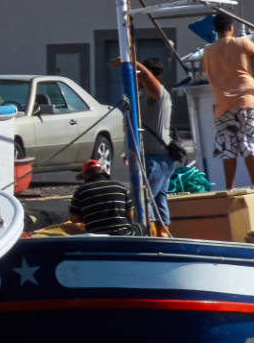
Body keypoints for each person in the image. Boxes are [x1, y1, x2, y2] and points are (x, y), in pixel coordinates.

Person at [200, 13, 254, 189]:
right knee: (248, 142)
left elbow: (206, 71)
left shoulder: (208, 51)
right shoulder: (242, 42)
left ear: (215, 30)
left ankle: (230, 188)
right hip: (245, 100)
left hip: (222, 106)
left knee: (228, 147)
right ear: (231, 28)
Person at [112, 52, 176, 235]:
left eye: (141, 76)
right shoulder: (141, 98)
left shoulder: (160, 95)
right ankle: (163, 233)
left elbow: (148, 78)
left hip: (157, 159)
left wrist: (131, 62)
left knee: (144, 199)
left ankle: (150, 234)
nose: (139, 80)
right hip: (154, 157)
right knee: (159, 199)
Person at [69, 158, 138, 235]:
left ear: (85, 176)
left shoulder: (80, 191)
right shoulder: (120, 187)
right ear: (102, 172)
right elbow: (130, 213)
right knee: (141, 228)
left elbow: (74, 219)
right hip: (123, 234)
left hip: (96, 236)